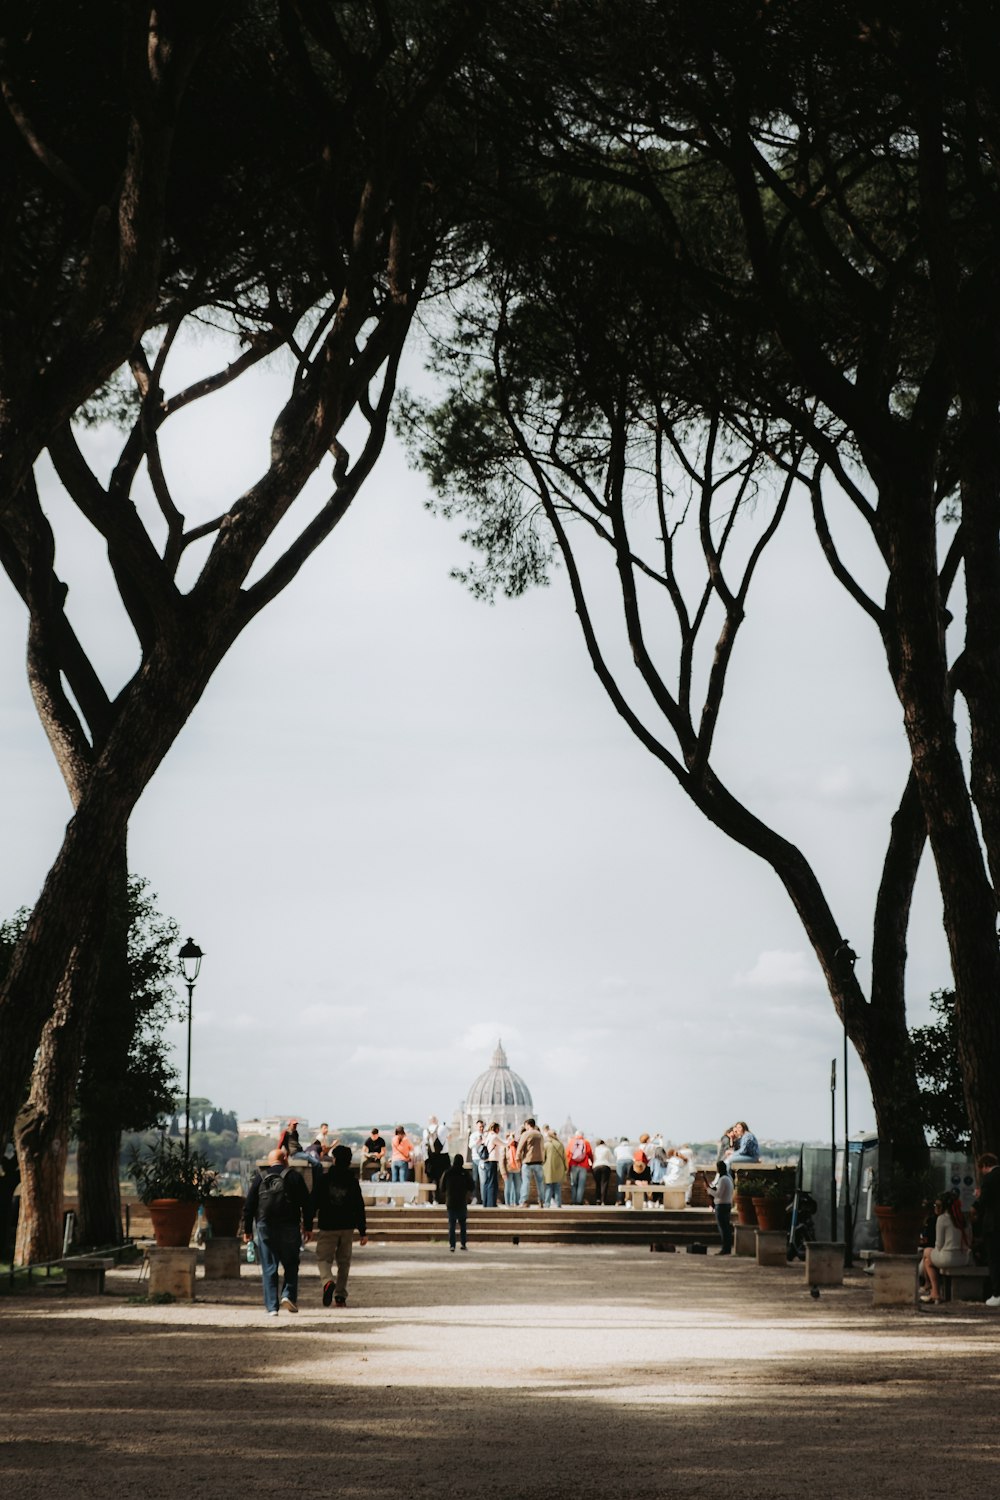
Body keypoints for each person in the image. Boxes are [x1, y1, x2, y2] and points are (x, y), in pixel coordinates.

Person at [242, 1147, 313, 1317]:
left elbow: (249, 1206)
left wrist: (247, 1231)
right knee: (291, 1263)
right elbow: (307, 1204)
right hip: (290, 1225)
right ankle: (288, 1294)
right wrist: (308, 1227)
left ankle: (272, 1307)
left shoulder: (260, 1177)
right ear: (286, 1159)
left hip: (265, 1226)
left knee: (269, 1266)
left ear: (269, 1161)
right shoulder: (294, 1177)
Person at [314, 1143, 368, 1308]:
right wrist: (363, 1230)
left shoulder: (324, 1179)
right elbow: (359, 1206)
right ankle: (340, 1296)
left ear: (334, 1159)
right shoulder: (352, 1181)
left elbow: (313, 1202)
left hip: (327, 1224)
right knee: (344, 1262)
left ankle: (327, 1280)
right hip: (347, 1226)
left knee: (323, 1258)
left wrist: (308, 1224)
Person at [920, 1190, 972, 1304]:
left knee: (926, 1255)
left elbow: (938, 1245)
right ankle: (933, 1291)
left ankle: (933, 1291)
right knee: (928, 1258)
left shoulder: (942, 1219)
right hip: (964, 1258)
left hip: (947, 1257)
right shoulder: (963, 1219)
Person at [976, 1152, 1000, 1307]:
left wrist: (979, 1196)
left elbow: (984, 1201)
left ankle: (997, 1293)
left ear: (985, 1166)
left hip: (994, 1225)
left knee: (994, 1258)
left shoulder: (989, 1179)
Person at [441, 1152, 472, 1250]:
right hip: (462, 1201)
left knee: (452, 1224)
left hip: (451, 1201)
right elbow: (471, 1186)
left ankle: (452, 1245)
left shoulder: (448, 1172)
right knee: (463, 1224)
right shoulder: (465, 1173)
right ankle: (463, 1243)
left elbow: (442, 1187)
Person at [707, 1159, 734, 1255]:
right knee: (726, 1228)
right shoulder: (728, 1178)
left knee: (723, 1228)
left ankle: (725, 1248)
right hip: (726, 1204)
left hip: (722, 1205)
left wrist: (709, 1190)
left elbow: (718, 1194)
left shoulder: (723, 1179)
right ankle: (727, 1248)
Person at [517, 1117, 545, 1207]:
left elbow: (520, 1148)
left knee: (526, 1183)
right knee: (540, 1183)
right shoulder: (540, 1135)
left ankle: (524, 1201)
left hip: (528, 1162)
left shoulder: (526, 1134)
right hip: (539, 1162)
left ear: (528, 1125)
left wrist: (517, 1159)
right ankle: (541, 1201)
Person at [566, 1129, 594, 1205]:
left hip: (573, 1165)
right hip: (583, 1165)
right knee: (581, 1184)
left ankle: (573, 1200)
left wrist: (568, 1167)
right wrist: (592, 1163)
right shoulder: (586, 1142)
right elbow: (590, 1154)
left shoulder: (571, 1142)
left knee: (573, 1184)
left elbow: (568, 1154)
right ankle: (579, 1200)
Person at [543, 1127, 567, 1207]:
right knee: (557, 1187)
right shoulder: (560, 1145)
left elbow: (543, 1158)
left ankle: (547, 1203)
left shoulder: (546, 1145)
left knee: (549, 1187)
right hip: (559, 1168)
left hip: (549, 1169)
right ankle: (558, 1204)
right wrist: (566, 1168)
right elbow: (564, 1158)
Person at [482, 1121, 503, 1207]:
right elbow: (504, 1144)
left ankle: (486, 1202)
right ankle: (491, 1203)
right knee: (492, 1183)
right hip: (492, 1161)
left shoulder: (487, 1136)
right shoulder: (494, 1136)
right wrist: (511, 1139)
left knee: (487, 1182)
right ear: (496, 1129)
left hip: (486, 1161)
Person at [468, 1118, 487, 1203]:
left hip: (484, 1159)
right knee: (475, 1179)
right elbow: (470, 1146)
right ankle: (475, 1197)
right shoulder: (473, 1135)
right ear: (477, 1126)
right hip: (476, 1159)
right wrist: (478, 1142)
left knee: (484, 1180)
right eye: (480, 1126)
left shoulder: (486, 1135)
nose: (481, 1128)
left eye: (482, 1126)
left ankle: (484, 1198)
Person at [592, 1139, 616, 1206]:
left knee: (597, 1184)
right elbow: (611, 1159)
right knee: (604, 1184)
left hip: (596, 1166)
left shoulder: (595, 1149)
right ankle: (603, 1201)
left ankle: (597, 1199)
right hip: (605, 1166)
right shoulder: (607, 1149)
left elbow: (592, 1158)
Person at [502, 1131, 522, 1205]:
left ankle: (517, 1202)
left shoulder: (517, 1147)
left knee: (517, 1188)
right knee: (508, 1188)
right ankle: (507, 1203)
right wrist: (503, 1172)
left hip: (517, 1169)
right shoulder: (505, 1147)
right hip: (508, 1170)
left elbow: (520, 1158)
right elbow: (502, 1160)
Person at [614, 1137, 633, 1205]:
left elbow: (615, 1156)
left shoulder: (617, 1148)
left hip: (620, 1161)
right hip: (630, 1161)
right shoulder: (631, 1148)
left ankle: (619, 1200)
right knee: (629, 1181)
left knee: (620, 1181)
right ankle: (628, 1200)